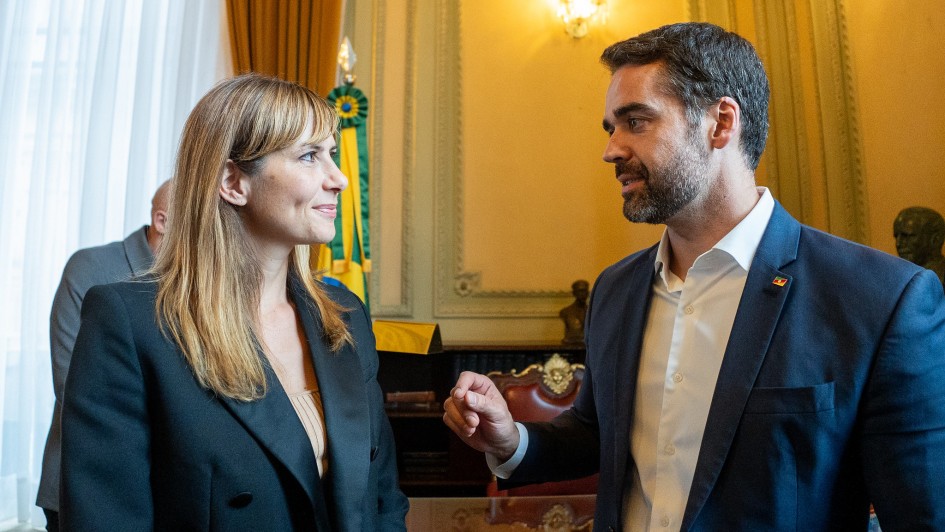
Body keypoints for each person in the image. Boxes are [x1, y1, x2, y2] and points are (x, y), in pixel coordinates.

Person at [444, 22, 945, 530]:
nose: (611, 150)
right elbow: (599, 438)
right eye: (609, 128)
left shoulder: (880, 300)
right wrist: (512, 441)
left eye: (635, 121)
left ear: (721, 123)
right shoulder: (616, 290)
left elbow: (921, 515)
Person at [59, 74, 408, 531]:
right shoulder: (129, 322)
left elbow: (382, 502)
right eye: (309, 156)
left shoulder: (345, 316)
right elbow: (105, 518)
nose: (339, 179)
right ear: (233, 182)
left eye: (333, 155)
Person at [36, 179, 170, 532]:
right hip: (87, 485)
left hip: (169, 489)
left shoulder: (194, 278)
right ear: (162, 221)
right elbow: (71, 384)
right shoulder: (91, 266)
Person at [894, 206, 945, 285]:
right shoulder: (895, 277)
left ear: (935, 239)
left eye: (907, 236)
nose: (898, 244)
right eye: (896, 236)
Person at [559, 279, 590, 345]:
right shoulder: (566, 312)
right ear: (574, 293)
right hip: (571, 345)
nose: (583, 294)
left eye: (585, 291)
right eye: (580, 291)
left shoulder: (592, 311)